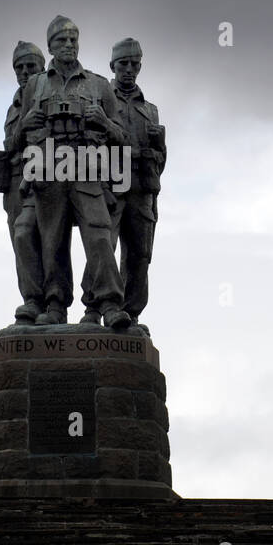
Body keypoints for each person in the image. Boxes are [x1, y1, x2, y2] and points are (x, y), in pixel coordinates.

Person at [13, 15, 132, 328]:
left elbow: (121, 137)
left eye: (73, 40)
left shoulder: (98, 84)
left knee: (99, 237)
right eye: (61, 40)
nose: (68, 45)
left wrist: (104, 122)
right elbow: (21, 137)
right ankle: (54, 304)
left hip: (87, 171)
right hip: (49, 172)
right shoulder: (36, 85)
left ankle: (108, 304)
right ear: (50, 45)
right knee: (52, 241)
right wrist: (29, 126)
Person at [79, 38, 165, 334]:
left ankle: (131, 313)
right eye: (123, 64)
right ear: (112, 66)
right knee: (103, 244)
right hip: (112, 184)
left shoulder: (150, 110)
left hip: (143, 188)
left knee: (140, 254)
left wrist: (159, 145)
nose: (129, 69)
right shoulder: (102, 101)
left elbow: (161, 160)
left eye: (135, 64)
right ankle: (93, 306)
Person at [0, 41, 71, 323]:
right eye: (20, 67)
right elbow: (10, 145)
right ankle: (32, 299)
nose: (25, 72)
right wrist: (23, 126)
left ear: (42, 67)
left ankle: (55, 301)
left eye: (30, 66)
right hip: (18, 182)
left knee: (51, 241)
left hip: (53, 175)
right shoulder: (15, 107)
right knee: (22, 237)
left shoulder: (52, 92)